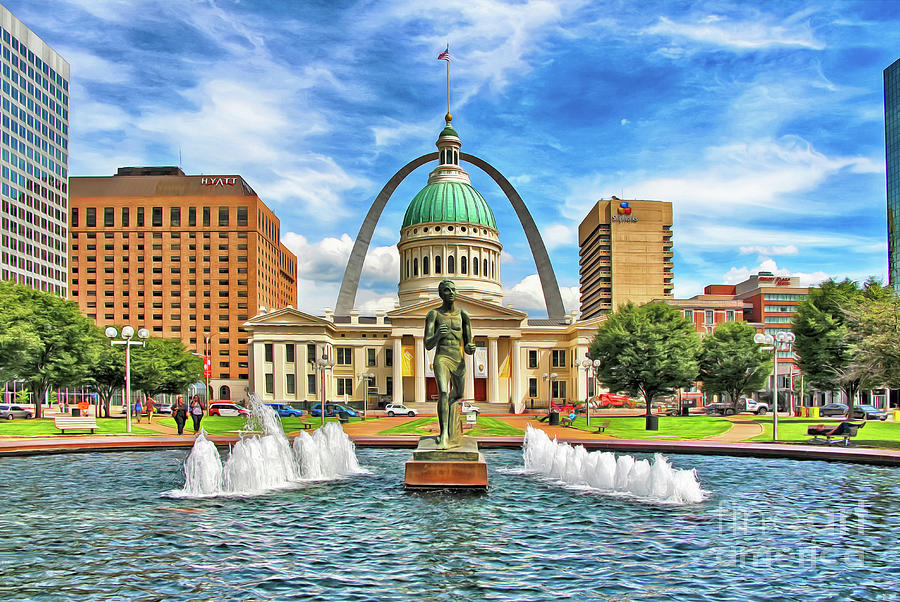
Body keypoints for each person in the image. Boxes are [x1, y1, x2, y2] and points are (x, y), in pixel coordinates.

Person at [424, 279, 475, 449]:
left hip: (458, 359)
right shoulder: (434, 314)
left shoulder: (463, 315)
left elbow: (468, 344)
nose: (451, 293)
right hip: (442, 357)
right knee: (444, 392)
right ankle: (444, 434)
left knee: (458, 394)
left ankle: (450, 419)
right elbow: (428, 344)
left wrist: (470, 347)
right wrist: (438, 334)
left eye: (453, 290)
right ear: (440, 294)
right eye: (447, 290)